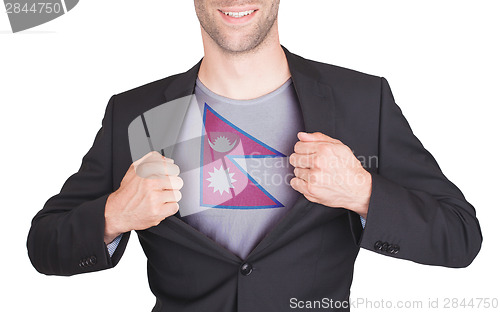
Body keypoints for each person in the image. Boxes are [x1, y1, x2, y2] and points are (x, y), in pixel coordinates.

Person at [27, 1, 482, 311]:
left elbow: (460, 236)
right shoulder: (136, 113)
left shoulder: (362, 101)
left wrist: (363, 192)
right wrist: (114, 214)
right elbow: (44, 245)